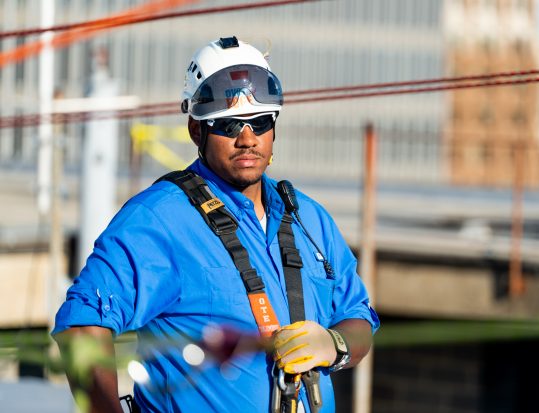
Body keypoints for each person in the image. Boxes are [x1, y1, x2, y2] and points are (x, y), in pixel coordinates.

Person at [53, 36, 380, 413]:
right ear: (197, 131)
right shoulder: (160, 220)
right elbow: (81, 328)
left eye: (259, 123)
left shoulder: (308, 218)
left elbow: (357, 318)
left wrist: (335, 345)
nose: (247, 139)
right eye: (228, 126)